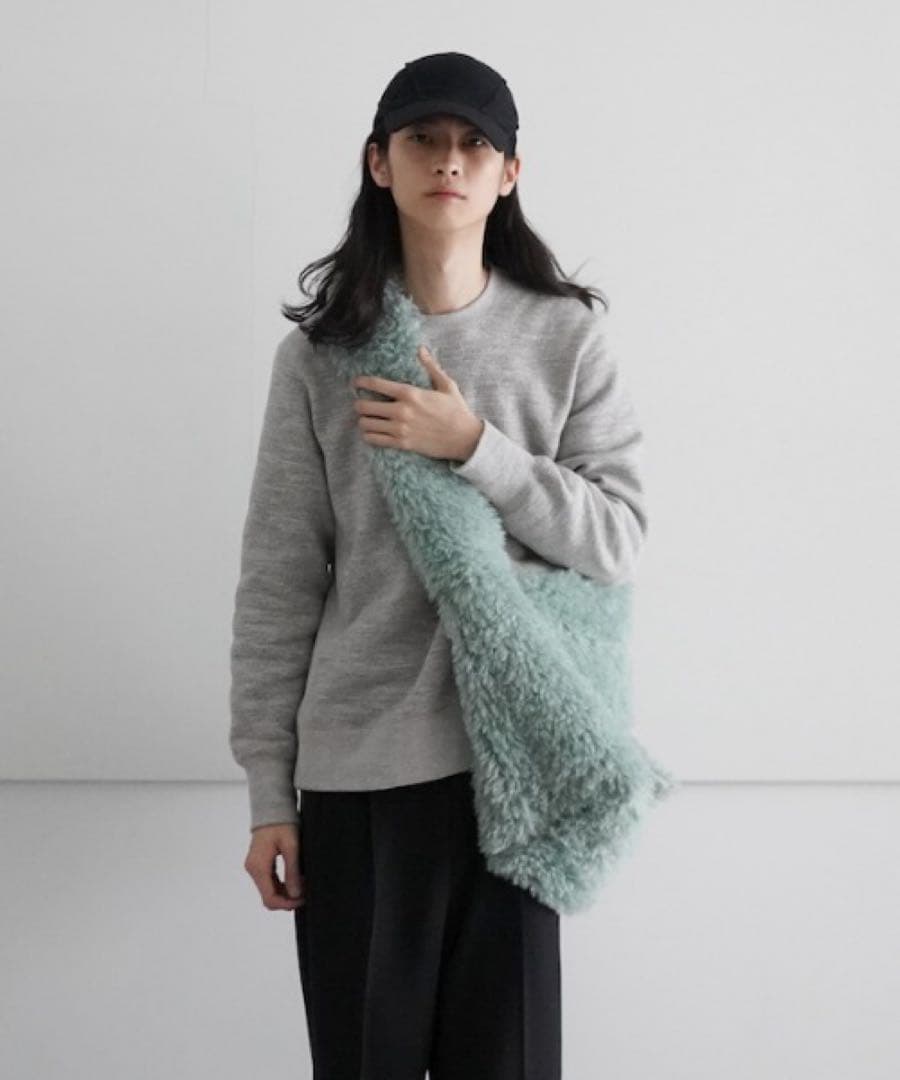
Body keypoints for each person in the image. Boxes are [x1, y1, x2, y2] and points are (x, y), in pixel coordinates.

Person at [229, 50, 648, 1080]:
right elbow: (280, 582)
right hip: (358, 777)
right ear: (380, 162)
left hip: (515, 773)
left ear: (510, 173)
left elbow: (617, 537)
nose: (449, 161)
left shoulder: (566, 338)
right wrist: (270, 795)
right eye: (423, 139)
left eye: (475, 144)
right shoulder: (322, 357)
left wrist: (477, 448)